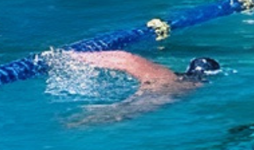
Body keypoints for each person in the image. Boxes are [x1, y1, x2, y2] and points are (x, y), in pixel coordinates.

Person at [61, 51, 218, 123]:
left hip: (155, 87)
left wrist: (74, 57)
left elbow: (127, 59)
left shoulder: (163, 73)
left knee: (121, 109)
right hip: (161, 96)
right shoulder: (195, 85)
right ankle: (75, 124)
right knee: (124, 113)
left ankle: (68, 55)